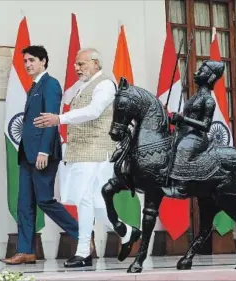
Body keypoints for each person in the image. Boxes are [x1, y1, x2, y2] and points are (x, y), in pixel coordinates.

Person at [33, 48, 138, 268]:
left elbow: (94, 111)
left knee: (84, 199)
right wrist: (78, 84)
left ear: (96, 63)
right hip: (81, 151)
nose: (76, 68)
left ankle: (83, 252)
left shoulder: (105, 85)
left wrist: (59, 118)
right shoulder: (84, 85)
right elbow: (67, 97)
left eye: (81, 64)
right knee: (93, 201)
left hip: (97, 151)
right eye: (75, 65)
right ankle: (126, 231)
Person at [0, 45, 78, 265]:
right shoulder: (33, 87)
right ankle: (25, 251)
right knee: (23, 203)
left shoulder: (50, 84)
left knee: (44, 200)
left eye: (31, 60)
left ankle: (81, 236)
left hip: (43, 153)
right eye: (25, 61)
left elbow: (50, 120)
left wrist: (44, 150)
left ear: (43, 61)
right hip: (27, 154)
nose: (27, 65)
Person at [161, 60, 225, 198]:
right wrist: (171, 118)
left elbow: (206, 126)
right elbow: (184, 118)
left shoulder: (208, 100)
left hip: (197, 137)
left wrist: (183, 119)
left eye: (202, 71)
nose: (196, 73)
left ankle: (181, 187)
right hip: (185, 133)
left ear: (211, 77)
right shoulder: (194, 97)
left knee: (183, 147)